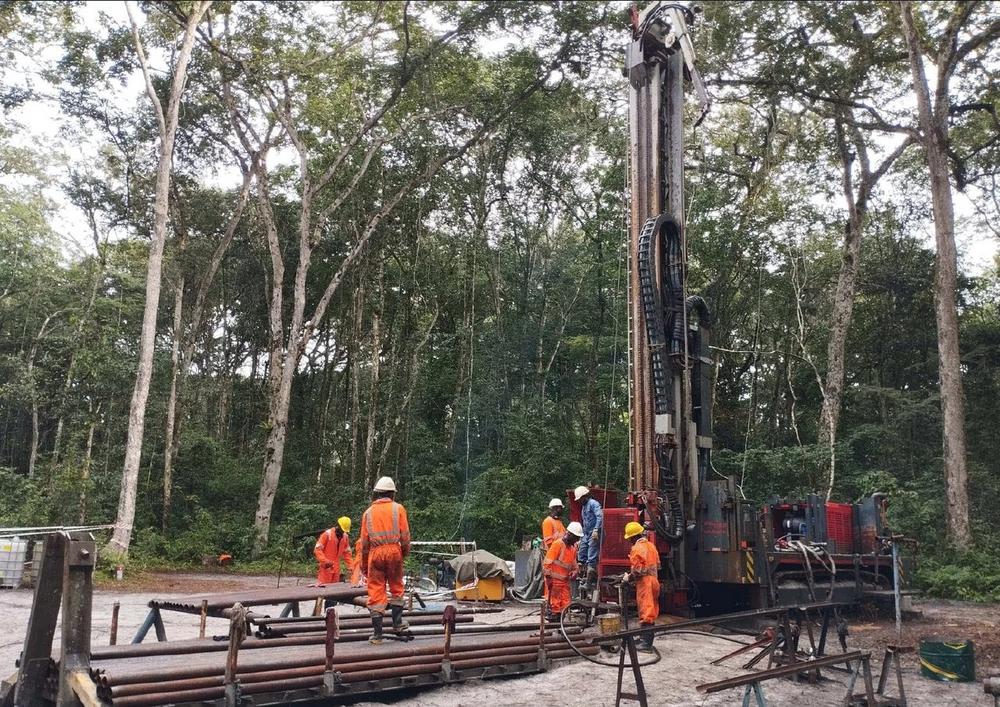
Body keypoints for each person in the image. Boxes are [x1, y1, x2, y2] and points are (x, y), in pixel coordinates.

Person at [360, 475, 411, 644]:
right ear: (392, 493)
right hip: (394, 551)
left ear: (377, 493)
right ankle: (397, 624)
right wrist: (403, 553)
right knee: (396, 586)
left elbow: (364, 544)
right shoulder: (398, 509)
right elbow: (405, 536)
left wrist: (364, 565)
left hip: (375, 554)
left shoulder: (367, 513)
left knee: (375, 591)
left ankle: (377, 635)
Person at [622, 521, 660, 653]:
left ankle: (646, 644)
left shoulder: (636, 549)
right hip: (655, 581)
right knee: (651, 609)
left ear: (633, 537)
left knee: (646, 610)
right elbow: (658, 565)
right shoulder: (651, 546)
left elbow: (637, 570)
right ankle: (644, 638)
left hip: (645, 583)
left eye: (629, 538)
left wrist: (629, 578)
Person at [543, 522, 583, 619]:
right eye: (576, 537)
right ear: (569, 534)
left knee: (565, 606)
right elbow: (547, 563)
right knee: (554, 607)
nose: (577, 540)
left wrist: (575, 571)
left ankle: (560, 625)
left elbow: (574, 564)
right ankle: (554, 623)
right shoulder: (557, 544)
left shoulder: (573, 548)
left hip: (565, 582)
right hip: (554, 582)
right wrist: (548, 579)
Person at [574, 485, 603, 588]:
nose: (579, 501)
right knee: (581, 553)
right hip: (586, 533)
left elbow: (600, 516)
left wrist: (596, 529)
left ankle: (590, 579)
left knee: (591, 553)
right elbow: (585, 521)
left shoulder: (593, 504)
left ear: (584, 496)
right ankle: (583, 574)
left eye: (580, 499)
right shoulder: (584, 507)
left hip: (594, 533)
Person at [314, 516, 353, 584]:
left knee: (335, 589)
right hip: (326, 568)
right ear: (338, 526)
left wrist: (351, 567)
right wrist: (325, 561)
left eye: (344, 531)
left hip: (336, 569)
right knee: (323, 590)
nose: (343, 532)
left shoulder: (345, 537)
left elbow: (347, 554)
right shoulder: (327, 534)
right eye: (342, 530)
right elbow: (317, 549)